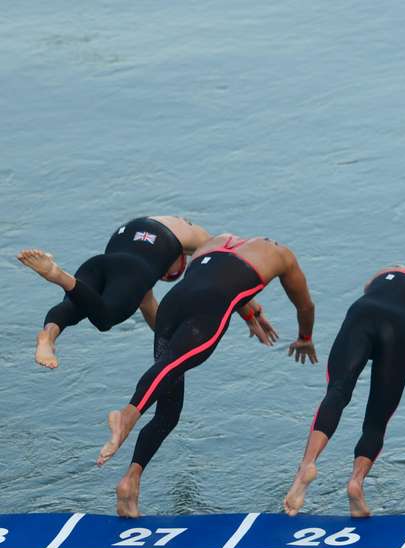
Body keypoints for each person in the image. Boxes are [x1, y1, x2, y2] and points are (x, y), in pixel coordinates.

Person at [96, 233, 318, 517]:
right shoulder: (283, 255)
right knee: (173, 366)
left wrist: (250, 315)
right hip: (207, 309)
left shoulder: (216, 241)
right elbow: (305, 306)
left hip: (172, 305)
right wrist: (305, 337)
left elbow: (214, 280)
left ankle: (130, 483)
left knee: (168, 411)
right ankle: (127, 415)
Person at [283, 266, 405, 517]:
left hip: (362, 313)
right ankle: (356, 482)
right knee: (378, 418)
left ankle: (307, 464)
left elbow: (371, 292)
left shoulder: (385, 272)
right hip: (401, 325)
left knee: (337, 392)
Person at [17, 216, 211, 369]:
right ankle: (58, 275)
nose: (163, 276)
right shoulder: (199, 237)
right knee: (105, 319)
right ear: (180, 257)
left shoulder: (145, 225)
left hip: (98, 264)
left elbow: (150, 308)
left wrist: (169, 339)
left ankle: (47, 337)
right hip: (133, 270)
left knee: (73, 305)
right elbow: (219, 268)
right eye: (171, 274)